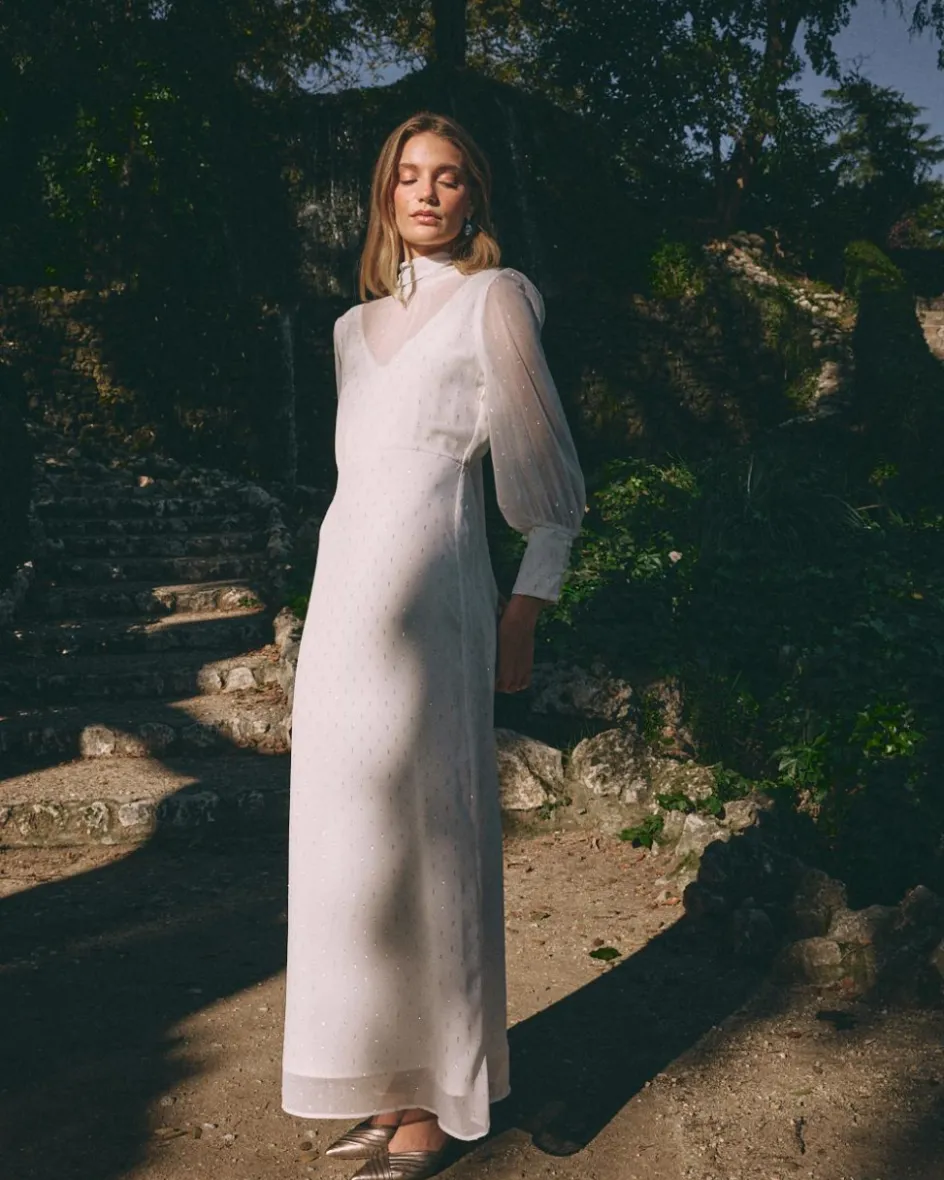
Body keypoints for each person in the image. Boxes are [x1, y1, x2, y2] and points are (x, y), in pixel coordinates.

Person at [281, 109, 587, 1180]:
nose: (426, 192)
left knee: (431, 841)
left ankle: (434, 1101)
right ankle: (383, 1083)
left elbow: (547, 479)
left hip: (440, 605)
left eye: (448, 176)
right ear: (384, 194)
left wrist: (525, 607)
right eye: (408, 175)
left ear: (472, 196)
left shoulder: (496, 299)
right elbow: (358, 484)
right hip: (343, 611)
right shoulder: (346, 330)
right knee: (350, 852)